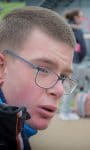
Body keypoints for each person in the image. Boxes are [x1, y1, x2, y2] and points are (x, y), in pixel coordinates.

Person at [0, 6, 77, 149]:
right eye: (43, 69)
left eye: (64, 76)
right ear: (2, 67)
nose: (59, 90)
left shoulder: (15, 134)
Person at [59, 8, 87, 120]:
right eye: (81, 16)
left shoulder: (66, 27)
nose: (82, 18)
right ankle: (64, 112)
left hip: (68, 60)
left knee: (68, 86)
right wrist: (80, 58)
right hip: (73, 61)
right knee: (69, 87)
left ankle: (65, 110)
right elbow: (82, 48)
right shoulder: (75, 29)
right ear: (75, 17)